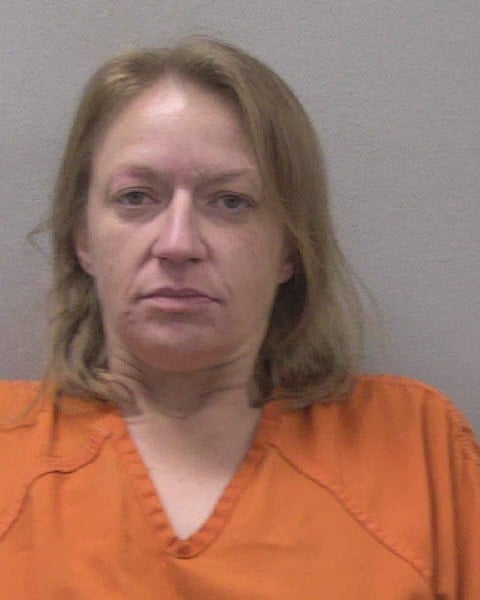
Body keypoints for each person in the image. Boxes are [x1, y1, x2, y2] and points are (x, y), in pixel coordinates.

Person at [0, 35, 478, 599]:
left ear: (289, 248)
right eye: (136, 197)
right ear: (82, 236)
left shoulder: (416, 451)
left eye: (230, 201)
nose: (178, 244)